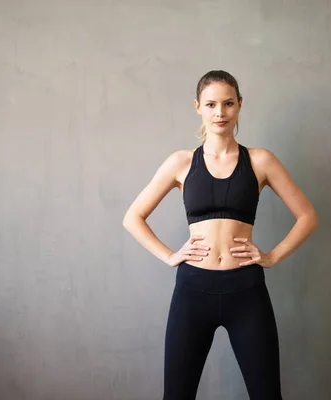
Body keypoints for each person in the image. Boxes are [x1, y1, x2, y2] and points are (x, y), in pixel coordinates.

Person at [122, 70, 319, 399]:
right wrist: (170, 256)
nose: (220, 112)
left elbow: (307, 216)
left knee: (267, 395)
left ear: (239, 105)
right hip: (192, 291)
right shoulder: (181, 163)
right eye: (211, 104)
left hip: (246, 291)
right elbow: (133, 217)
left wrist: (271, 256)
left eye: (228, 103)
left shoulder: (260, 161)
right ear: (198, 106)